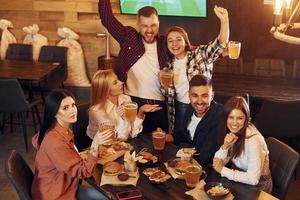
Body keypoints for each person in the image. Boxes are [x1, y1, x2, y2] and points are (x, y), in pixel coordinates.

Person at [98, 0, 169, 132]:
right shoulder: (129, 36)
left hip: (157, 103)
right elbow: (107, 19)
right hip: (129, 100)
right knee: (129, 139)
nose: (149, 30)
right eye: (144, 26)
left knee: (157, 143)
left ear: (158, 24)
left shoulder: (165, 42)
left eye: (153, 25)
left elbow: (189, 49)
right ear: (138, 25)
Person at [31, 89, 110, 200]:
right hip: (56, 194)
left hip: (63, 185)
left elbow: (36, 140)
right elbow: (84, 172)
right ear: (54, 112)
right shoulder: (55, 141)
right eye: (65, 108)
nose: (73, 110)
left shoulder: (55, 129)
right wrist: (95, 144)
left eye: (73, 105)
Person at [162, 5, 229, 134]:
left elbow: (220, 43)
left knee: (200, 141)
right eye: (170, 41)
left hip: (200, 106)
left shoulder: (199, 54)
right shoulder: (168, 65)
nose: (174, 44)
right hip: (179, 108)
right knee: (181, 142)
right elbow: (168, 94)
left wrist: (224, 20)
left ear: (186, 41)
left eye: (178, 39)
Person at [213, 96, 272, 193]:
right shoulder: (232, 131)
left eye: (240, 118)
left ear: (246, 119)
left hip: (258, 186)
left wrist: (223, 170)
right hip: (240, 179)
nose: (234, 123)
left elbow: (253, 179)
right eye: (231, 117)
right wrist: (225, 147)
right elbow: (217, 163)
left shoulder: (254, 140)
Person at [87, 69, 161, 141]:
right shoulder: (97, 111)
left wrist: (141, 111)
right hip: (101, 149)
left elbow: (133, 133)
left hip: (122, 145)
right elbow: (119, 138)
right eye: (115, 82)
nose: (121, 82)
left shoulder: (125, 99)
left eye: (118, 80)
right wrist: (122, 119)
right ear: (105, 90)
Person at [173, 75, 222, 166]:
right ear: (189, 95)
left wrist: (182, 147)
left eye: (204, 96)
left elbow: (205, 156)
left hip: (209, 170)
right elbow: (181, 137)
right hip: (187, 164)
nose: (199, 101)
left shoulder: (220, 115)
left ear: (212, 96)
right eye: (195, 95)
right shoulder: (190, 108)